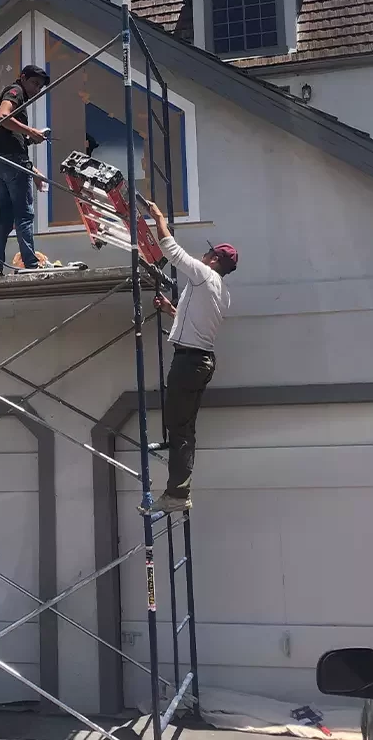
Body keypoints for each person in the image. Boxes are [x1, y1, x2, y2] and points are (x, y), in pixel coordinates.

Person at [142, 200, 238, 513]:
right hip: (200, 360)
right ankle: (180, 488)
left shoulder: (203, 275)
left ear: (214, 260)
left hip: (190, 363)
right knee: (184, 428)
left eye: (210, 253)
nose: (205, 254)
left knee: (179, 429)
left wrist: (158, 218)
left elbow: (171, 249)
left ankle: (176, 494)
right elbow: (196, 324)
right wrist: (172, 311)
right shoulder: (221, 291)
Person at [0, 65, 51, 276]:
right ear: (23, 78)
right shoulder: (15, 92)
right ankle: (31, 266)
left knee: (5, 217)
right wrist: (31, 131)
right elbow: (3, 116)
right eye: (34, 83)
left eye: (40, 87)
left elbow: (10, 139)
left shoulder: (18, 93)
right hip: (12, 162)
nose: (36, 90)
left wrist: (28, 139)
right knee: (23, 216)